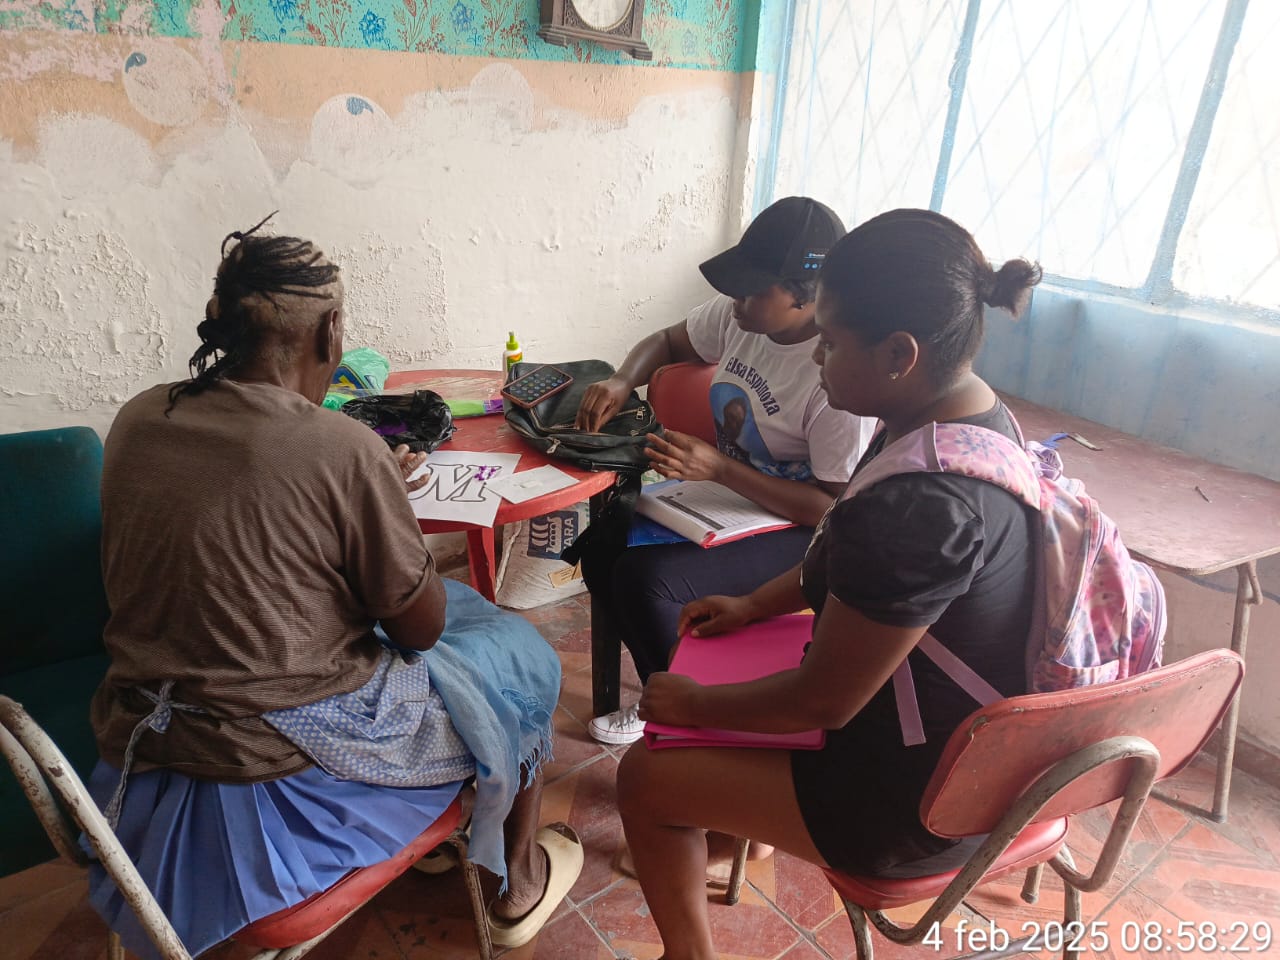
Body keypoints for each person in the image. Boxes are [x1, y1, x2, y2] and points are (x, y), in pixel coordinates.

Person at [84, 217, 581, 959]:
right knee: (517, 653)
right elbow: (419, 628)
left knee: (461, 627)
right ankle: (518, 879)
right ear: (330, 332)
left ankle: (450, 832)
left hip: (146, 728)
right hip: (278, 768)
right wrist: (385, 505)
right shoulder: (342, 449)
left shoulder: (139, 416)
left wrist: (367, 492)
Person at [615, 208, 1043, 960]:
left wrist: (695, 704)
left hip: (922, 804)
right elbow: (841, 549)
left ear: (899, 353)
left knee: (645, 778)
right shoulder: (969, 419)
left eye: (833, 340)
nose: (816, 354)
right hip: (974, 753)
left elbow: (822, 702)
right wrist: (755, 603)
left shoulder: (923, 505)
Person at [575, 196, 875, 750]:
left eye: (754, 289)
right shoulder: (742, 318)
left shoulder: (834, 375)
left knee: (647, 581)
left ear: (805, 296)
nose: (737, 300)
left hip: (803, 532)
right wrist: (622, 379)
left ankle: (698, 717)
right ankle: (669, 690)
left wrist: (720, 469)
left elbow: (830, 510)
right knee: (600, 549)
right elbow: (667, 340)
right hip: (727, 500)